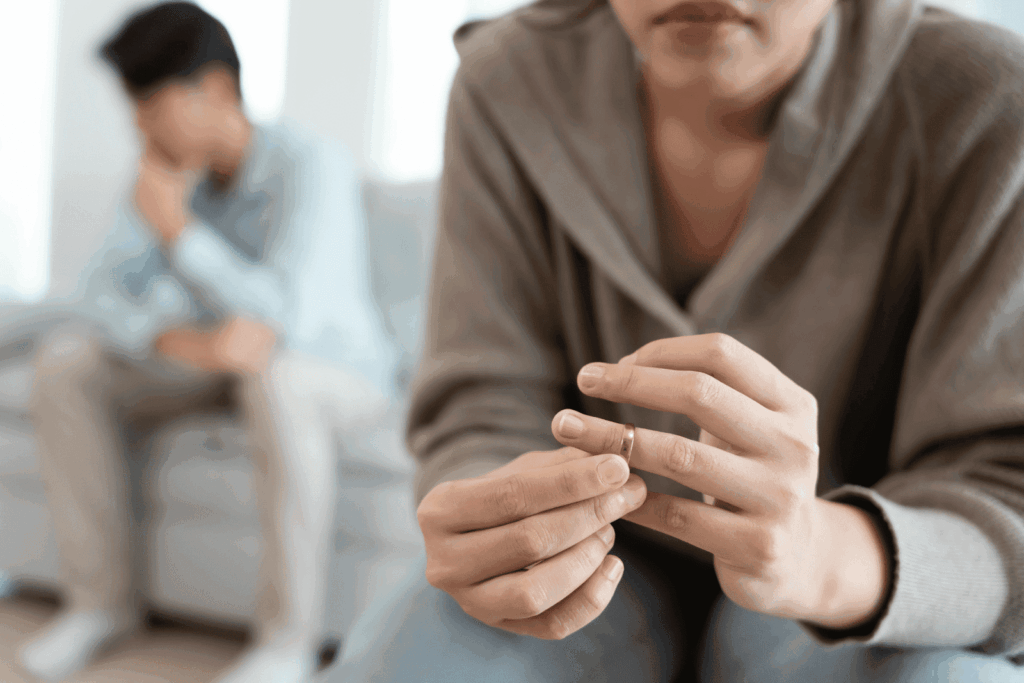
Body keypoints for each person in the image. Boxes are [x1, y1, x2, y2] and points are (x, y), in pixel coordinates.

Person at [329, 0, 1024, 680]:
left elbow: (1006, 495)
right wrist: (505, 528)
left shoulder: (986, 93)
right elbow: (481, 407)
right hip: (604, 568)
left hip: (847, 584)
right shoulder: (506, 78)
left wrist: (817, 553)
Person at [16, 3, 406, 682]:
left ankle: (285, 643)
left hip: (332, 370)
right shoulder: (168, 174)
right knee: (67, 362)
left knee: (276, 377)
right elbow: (97, 297)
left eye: (150, 103)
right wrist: (186, 344)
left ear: (217, 89)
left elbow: (285, 317)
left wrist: (179, 233)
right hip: (221, 364)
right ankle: (99, 605)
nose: (138, 126)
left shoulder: (311, 164)